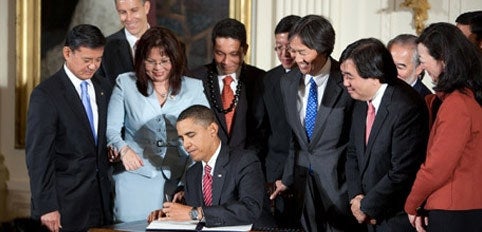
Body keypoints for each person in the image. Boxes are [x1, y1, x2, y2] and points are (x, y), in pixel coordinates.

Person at [106, 26, 209, 222]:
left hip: (181, 180)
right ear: (141, 60)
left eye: (164, 61)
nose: (158, 68)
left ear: (175, 60)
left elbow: (206, 132)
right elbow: (111, 129)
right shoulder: (125, 83)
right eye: (150, 62)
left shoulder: (194, 88)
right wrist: (123, 149)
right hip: (135, 178)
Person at [269, 15, 360, 232]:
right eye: (293, 50)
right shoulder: (288, 82)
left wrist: (356, 189)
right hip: (301, 188)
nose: (295, 58)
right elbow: (295, 138)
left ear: (322, 49)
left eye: (303, 52)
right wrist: (287, 178)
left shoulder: (347, 81)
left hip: (339, 188)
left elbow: (356, 143)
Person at [25, 24, 113, 232]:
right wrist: (47, 207)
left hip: (101, 203)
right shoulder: (46, 95)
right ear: (67, 53)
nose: (93, 66)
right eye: (87, 60)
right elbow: (39, 158)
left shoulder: (104, 88)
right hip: (63, 207)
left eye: (98, 60)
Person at [340, 38, 429, 232]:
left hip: (394, 217)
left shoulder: (406, 106)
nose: (345, 83)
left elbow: (402, 171)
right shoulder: (360, 99)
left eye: (349, 76)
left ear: (373, 75)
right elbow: (353, 153)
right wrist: (356, 198)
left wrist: (367, 206)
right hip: (364, 214)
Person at [404, 22, 482, 232]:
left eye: (422, 61)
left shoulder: (457, 105)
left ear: (444, 60)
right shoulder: (462, 99)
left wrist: (412, 204)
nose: (421, 68)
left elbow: (437, 167)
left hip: (454, 212)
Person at [147, 105, 268, 227]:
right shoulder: (192, 174)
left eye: (191, 135)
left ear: (213, 130)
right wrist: (169, 215)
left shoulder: (245, 161)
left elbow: (250, 209)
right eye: (182, 138)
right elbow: (190, 215)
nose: (186, 144)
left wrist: (194, 213)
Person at [190, 18, 267, 155]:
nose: (226, 61)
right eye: (220, 54)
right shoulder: (195, 79)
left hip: (249, 165)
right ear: (213, 48)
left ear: (245, 50)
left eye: (233, 54)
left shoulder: (260, 80)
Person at [262, 15, 300, 228]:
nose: (284, 54)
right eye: (278, 47)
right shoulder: (269, 80)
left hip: (308, 172)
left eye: (289, 48)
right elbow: (263, 130)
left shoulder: (315, 80)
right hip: (275, 173)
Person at [99, 0, 150, 85]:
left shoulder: (168, 43)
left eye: (134, 10)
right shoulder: (104, 48)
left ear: (146, 7)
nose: (129, 18)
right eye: (123, 12)